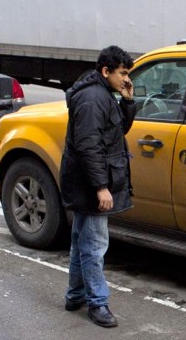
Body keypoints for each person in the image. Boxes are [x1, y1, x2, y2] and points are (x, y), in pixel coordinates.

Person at [60, 45, 135, 328]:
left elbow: (116, 131)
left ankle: (75, 295)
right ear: (106, 71)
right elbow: (88, 146)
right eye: (123, 74)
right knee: (94, 244)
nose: (127, 79)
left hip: (86, 182)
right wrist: (101, 187)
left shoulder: (104, 94)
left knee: (82, 241)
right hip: (89, 183)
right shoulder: (93, 99)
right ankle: (97, 303)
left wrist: (128, 101)